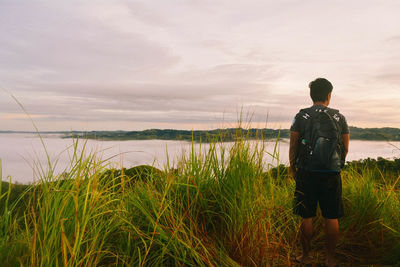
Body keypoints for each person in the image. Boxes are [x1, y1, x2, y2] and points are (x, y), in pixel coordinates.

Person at [289, 78, 350, 267]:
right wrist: (337, 164)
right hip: (332, 172)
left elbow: (293, 145)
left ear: (311, 95)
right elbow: (345, 146)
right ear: (329, 95)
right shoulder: (340, 117)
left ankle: (305, 257)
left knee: (306, 216)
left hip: (307, 172)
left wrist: (293, 168)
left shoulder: (301, 116)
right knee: (331, 216)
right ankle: (330, 259)